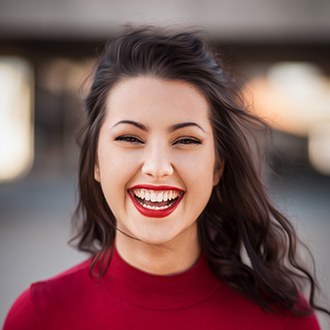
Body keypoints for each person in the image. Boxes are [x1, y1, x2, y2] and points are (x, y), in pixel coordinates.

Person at [4, 25, 329, 330]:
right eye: (130, 138)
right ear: (96, 163)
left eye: (186, 140)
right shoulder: (40, 316)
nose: (158, 168)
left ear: (218, 166)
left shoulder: (284, 320)